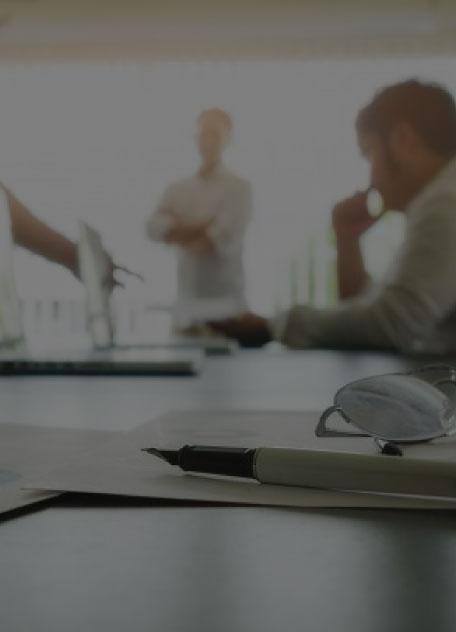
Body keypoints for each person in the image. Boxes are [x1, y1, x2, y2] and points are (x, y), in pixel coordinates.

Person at [212, 80, 456, 354]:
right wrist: (347, 239)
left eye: (369, 153)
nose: (372, 180)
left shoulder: (445, 203)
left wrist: (275, 325)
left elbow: (393, 324)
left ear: (403, 140)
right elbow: (375, 312)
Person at [146, 108, 252, 331]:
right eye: (204, 134)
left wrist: (176, 230)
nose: (208, 141)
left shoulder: (239, 189)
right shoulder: (177, 189)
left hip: (228, 314)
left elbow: (210, 243)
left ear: (229, 139)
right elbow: (152, 229)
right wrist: (203, 225)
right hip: (185, 311)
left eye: (215, 134)